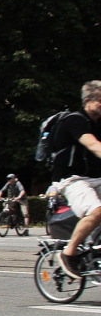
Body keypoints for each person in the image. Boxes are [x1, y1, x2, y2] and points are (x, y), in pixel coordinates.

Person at [52, 80, 101, 279]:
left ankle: (94, 246)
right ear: (88, 100)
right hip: (72, 179)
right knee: (97, 211)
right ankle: (68, 253)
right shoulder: (74, 120)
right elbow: (94, 145)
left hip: (96, 178)